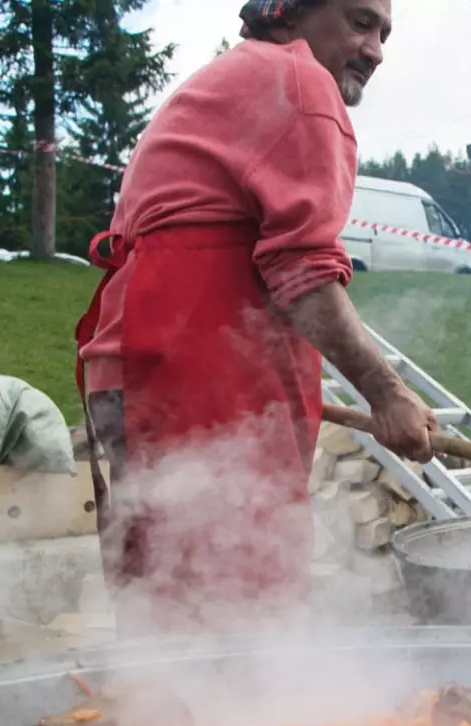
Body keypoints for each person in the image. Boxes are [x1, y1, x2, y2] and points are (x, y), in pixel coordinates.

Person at [73, 0, 436, 632]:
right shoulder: (299, 82)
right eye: (357, 21)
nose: (375, 48)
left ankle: (164, 724)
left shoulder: (241, 77)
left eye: (383, 32)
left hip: (148, 364)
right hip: (192, 377)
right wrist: (387, 394)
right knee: (230, 607)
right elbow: (302, 269)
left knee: (168, 603)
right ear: (291, 15)